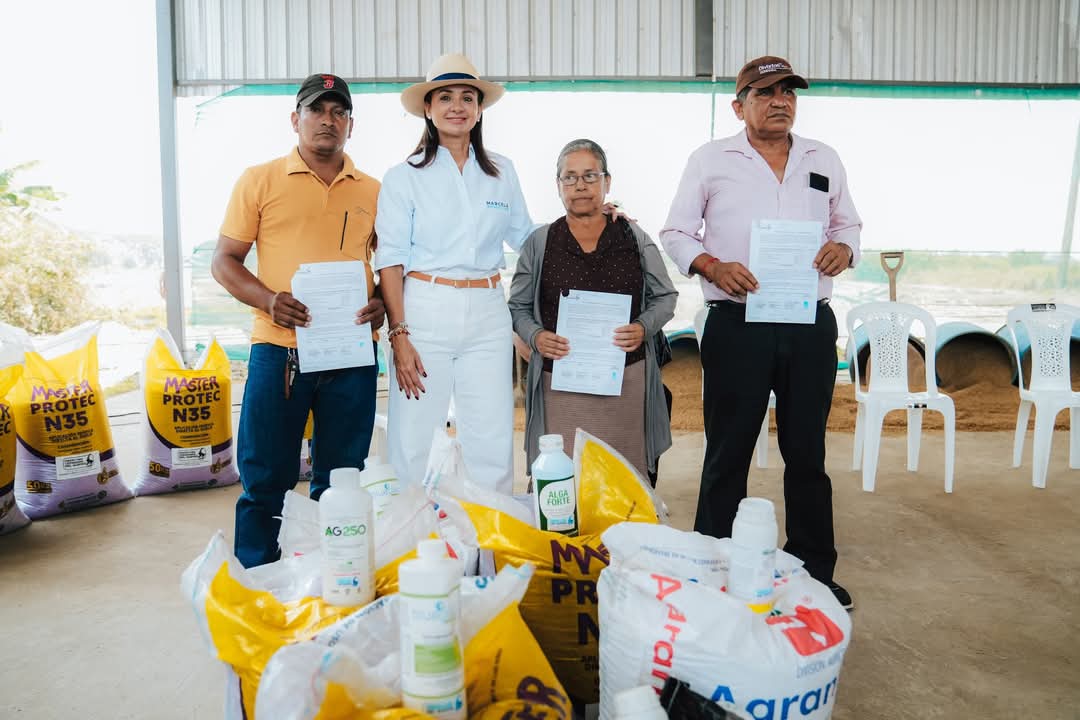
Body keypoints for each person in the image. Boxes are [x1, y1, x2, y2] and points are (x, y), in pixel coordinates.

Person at [659, 56, 861, 610]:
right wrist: (711, 265)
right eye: (765, 92)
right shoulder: (710, 160)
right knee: (728, 451)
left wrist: (844, 249)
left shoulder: (823, 158)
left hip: (809, 322)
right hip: (736, 323)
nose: (780, 101)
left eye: (788, 92)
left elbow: (847, 224)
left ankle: (814, 569)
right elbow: (676, 232)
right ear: (738, 105)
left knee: (807, 452)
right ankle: (714, 565)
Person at [213, 74, 384, 568]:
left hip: (351, 352)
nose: (328, 120)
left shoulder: (374, 190)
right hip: (279, 350)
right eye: (316, 110)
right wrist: (269, 301)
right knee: (266, 475)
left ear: (350, 124)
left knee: (343, 475)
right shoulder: (259, 180)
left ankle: (335, 575)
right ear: (296, 119)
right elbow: (224, 261)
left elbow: (391, 266)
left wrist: (381, 302)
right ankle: (258, 577)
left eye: (338, 112)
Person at [374, 54, 534, 494]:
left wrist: (590, 220)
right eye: (444, 97)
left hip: (488, 311)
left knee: (491, 436)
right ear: (428, 108)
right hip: (425, 310)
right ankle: (412, 528)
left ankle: (491, 530)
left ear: (479, 109)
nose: (457, 106)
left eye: (467, 97)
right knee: (415, 436)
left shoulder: (502, 171)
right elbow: (390, 260)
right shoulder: (403, 177)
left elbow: (528, 238)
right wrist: (399, 334)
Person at [509, 139, 677, 479]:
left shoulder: (634, 237)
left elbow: (666, 296)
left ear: (607, 181)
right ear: (558, 185)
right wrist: (536, 336)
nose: (580, 185)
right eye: (569, 177)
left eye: (590, 175)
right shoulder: (541, 242)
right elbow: (517, 306)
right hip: (560, 384)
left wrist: (643, 327)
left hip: (626, 382)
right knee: (563, 482)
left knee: (624, 481)